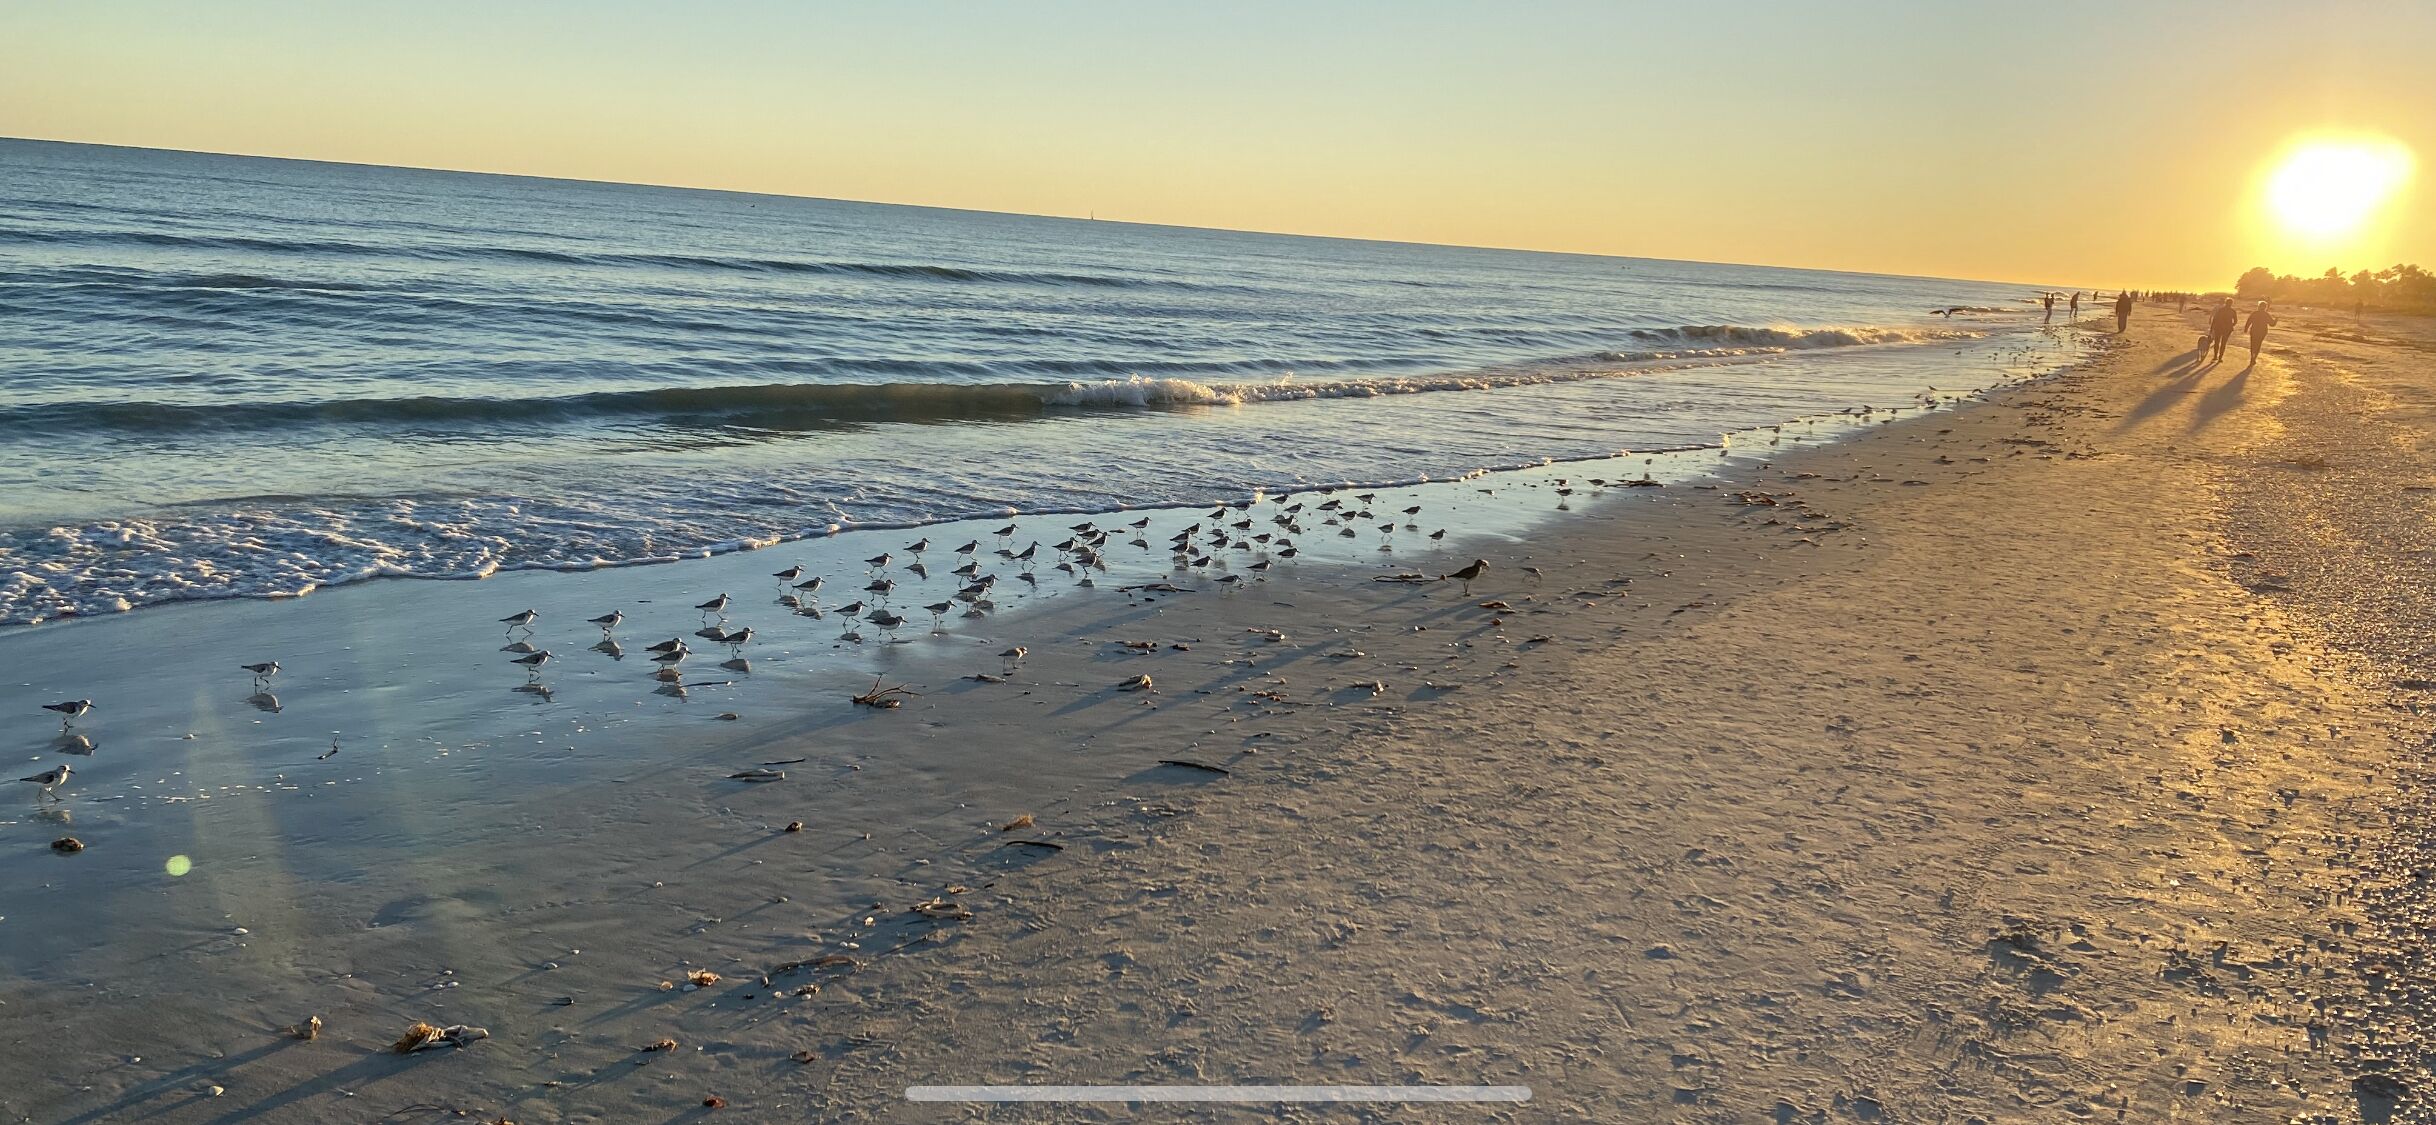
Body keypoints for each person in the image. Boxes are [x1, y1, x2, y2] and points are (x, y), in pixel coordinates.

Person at [2208, 298, 2239, 363]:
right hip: (2227, 329)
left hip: (2219, 328)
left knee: (2217, 342)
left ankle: (2215, 356)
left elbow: (2215, 319)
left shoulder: (2221, 310)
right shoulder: (2233, 311)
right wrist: (2231, 325)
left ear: (2225, 303)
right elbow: (2235, 321)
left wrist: (2211, 328)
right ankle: (2220, 357)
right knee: (2223, 343)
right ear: (2231, 304)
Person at [2245, 300, 2275, 366]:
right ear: (2265, 307)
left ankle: (2252, 358)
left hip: (2254, 331)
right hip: (2262, 332)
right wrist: (2276, 321)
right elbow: (2272, 324)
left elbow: (2249, 321)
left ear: (2259, 306)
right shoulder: (2266, 314)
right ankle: (2253, 359)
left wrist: (2246, 328)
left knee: (2253, 345)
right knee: (2258, 345)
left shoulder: (2255, 313)